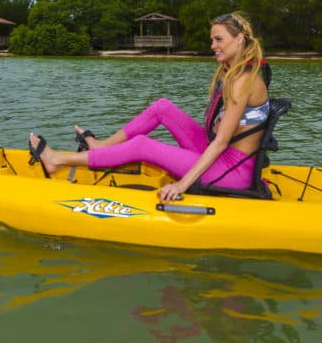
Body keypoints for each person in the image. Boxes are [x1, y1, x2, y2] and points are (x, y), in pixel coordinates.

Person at [28, 11, 269, 204]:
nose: (213, 45)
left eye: (219, 39)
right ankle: (101, 146)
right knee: (162, 107)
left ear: (239, 39)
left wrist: (181, 185)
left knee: (143, 145)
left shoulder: (243, 80)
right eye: (212, 39)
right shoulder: (237, 73)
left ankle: (57, 160)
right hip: (225, 158)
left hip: (232, 171)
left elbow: (221, 142)